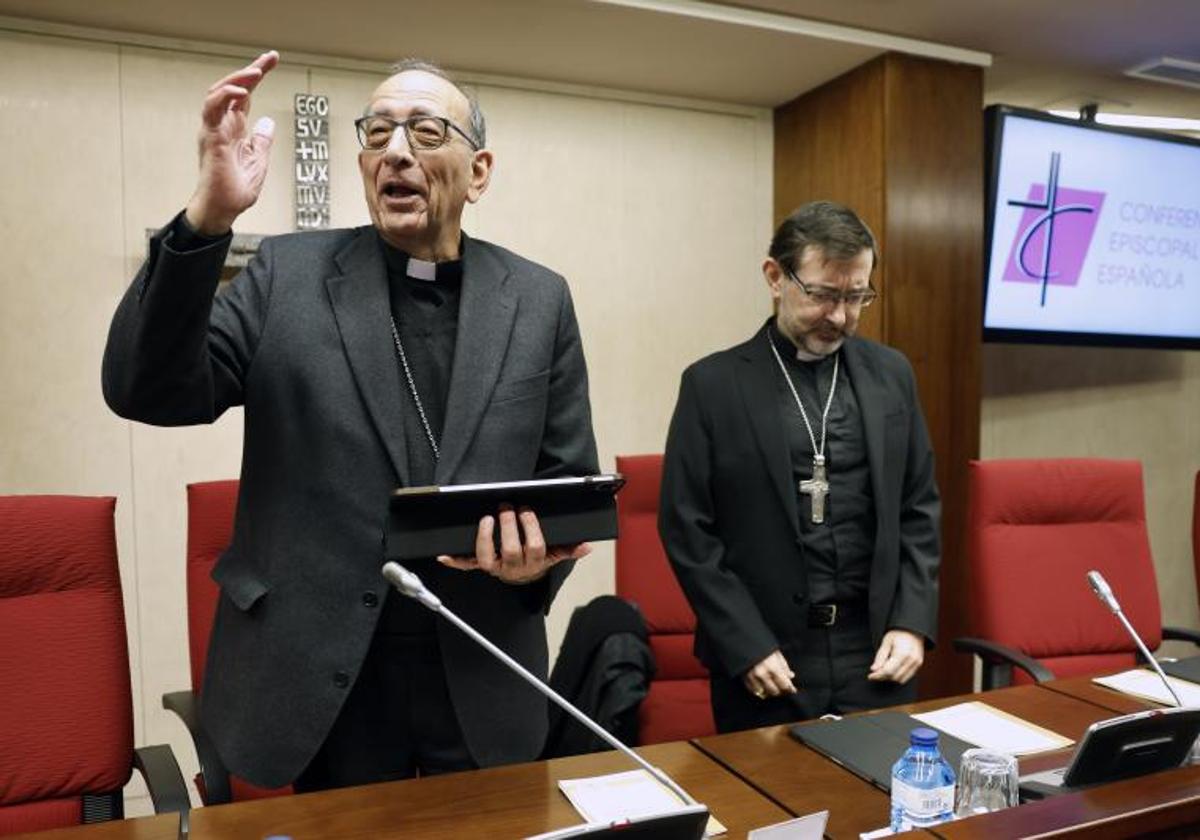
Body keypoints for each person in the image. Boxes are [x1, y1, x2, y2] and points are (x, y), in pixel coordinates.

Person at [102, 51, 598, 790]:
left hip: (479, 672)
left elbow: (567, 483)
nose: (395, 150)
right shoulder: (286, 277)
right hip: (315, 685)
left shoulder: (538, 299)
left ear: (480, 171)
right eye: (378, 133)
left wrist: (532, 571)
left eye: (427, 132)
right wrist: (208, 217)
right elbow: (146, 389)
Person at [658, 200, 940, 733]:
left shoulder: (891, 375)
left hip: (878, 652)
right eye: (823, 295)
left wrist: (912, 622)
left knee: (881, 807)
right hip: (767, 662)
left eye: (856, 297)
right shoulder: (713, 385)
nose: (840, 316)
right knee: (773, 813)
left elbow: (919, 507)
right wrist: (744, 644)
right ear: (775, 276)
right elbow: (688, 530)